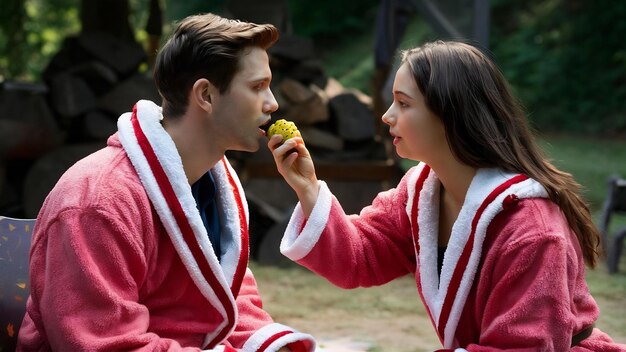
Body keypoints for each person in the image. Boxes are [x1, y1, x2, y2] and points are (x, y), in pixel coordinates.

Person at [269, 40, 626, 351]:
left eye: (403, 103)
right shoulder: (421, 193)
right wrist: (309, 188)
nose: (387, 116)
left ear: (450, 114)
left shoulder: (531, 230)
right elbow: (360, 256)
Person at [17, 13, 315, 352]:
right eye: (258, 87)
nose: (273, 102)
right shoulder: (97, 203)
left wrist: (272, 346)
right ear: (205, 95)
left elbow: (229, 301)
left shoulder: (215, 188)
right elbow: (105, 345)